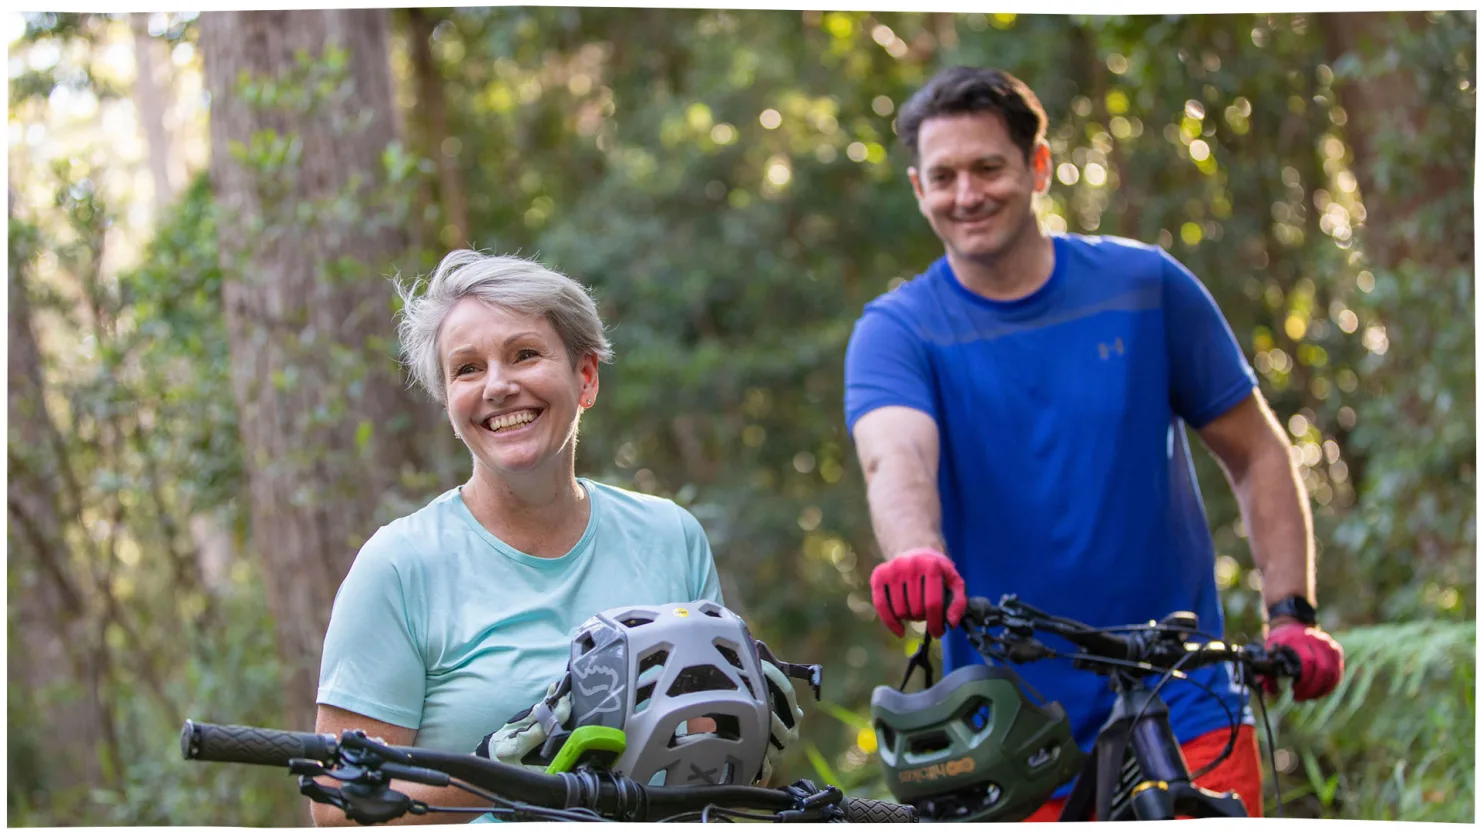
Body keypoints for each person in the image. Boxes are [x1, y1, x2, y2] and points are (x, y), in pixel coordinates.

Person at [843, 66, 1345, 820]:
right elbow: (895, 454)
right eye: (943, 176)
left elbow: (1257, 450)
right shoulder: (898, 328)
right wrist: (916, 550)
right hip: (1003, 723)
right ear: (919, 188)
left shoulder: (1145, 286)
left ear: (1038, 166)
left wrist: (1291, 613)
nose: (967, 194)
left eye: (989, 167)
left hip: (1186, 693)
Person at [312, 251, 797, 825]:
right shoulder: (398, 568)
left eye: (524, 355)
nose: (497, 385)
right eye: (466, 368)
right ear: (448, 400)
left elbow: (715, 781)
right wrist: (511, 770)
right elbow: (338, 808)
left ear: (585, 376)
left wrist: (744, 733)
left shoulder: (670, 537)